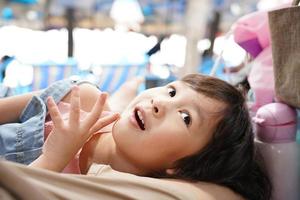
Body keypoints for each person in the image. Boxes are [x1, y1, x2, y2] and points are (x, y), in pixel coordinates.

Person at [0, 74, 271, 200]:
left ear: (179, 167)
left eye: (186, 117)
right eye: (172, 91)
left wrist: (54, 158)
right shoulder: (82, 98)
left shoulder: (95, 190)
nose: (160, 102)